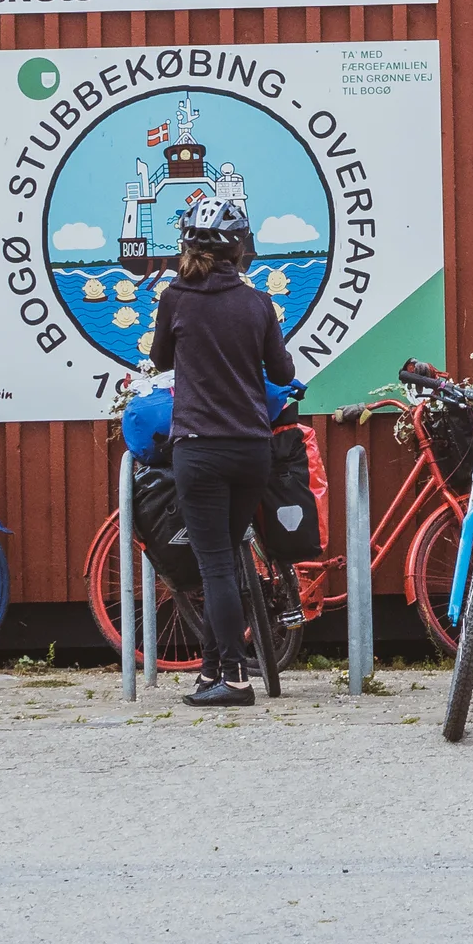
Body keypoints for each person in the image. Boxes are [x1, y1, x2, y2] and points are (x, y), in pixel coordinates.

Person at [148, 196, 293, 708]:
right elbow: (282, 374)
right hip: (252, 450)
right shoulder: (257, 304)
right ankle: (212, 668)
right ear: (239, 250)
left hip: (200, 451)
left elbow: (158, 357)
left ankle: (234, 678)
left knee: (215, 567)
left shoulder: (176, 298)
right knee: (225, 562)